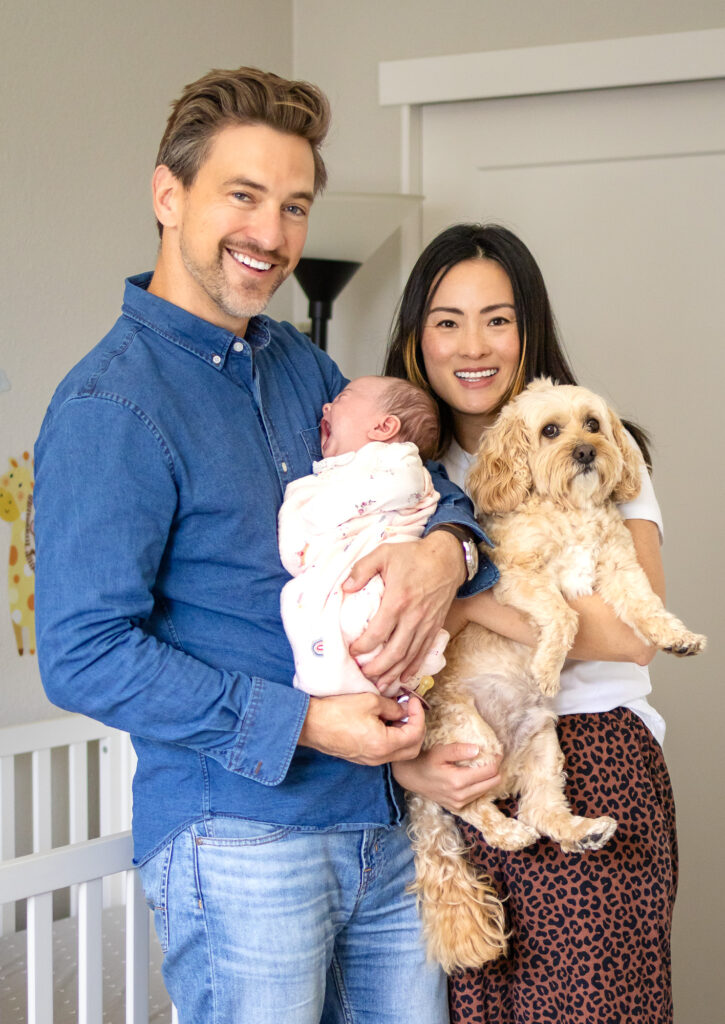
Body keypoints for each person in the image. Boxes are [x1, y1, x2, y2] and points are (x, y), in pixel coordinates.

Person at [33, 69, 500, 1024]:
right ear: (169, 195)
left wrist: (442, 554)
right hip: (239, 838)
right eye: (242, 196)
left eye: (293, 206)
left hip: (383, 818)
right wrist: (305, 723)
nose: (273, 235)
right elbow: (83, 654)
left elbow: (424, 485)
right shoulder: (109, 407)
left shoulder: (301, 363)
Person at [385, 223, 677, 1024]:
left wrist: (468, 601)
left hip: (591, 755)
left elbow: (628, 631)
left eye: (497, 319)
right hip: (459, 765)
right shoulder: (401, 473)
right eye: (446, 320)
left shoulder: (598, 444)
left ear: (529, 329)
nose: (472, 345)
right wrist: (414, 771)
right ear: (417, 336)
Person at [279, 374, 449, 699]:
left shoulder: (396, 459)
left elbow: (407, 485)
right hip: (341, 572)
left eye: (343, 399)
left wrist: (327, 508)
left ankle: (364, 680)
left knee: (361, 616)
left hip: (381, 579)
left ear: (384, 428)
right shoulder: (335, 472)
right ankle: (340, 680)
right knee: (297, 599)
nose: (327, 406)